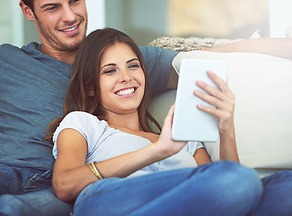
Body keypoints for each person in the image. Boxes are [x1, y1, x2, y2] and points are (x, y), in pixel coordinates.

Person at [0, 0, 291, 215]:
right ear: (28, 11)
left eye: (75, 0)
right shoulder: (0, 64)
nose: (70, 16)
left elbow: (226, 51)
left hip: (70, 189)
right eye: (52, 7)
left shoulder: (132, 56)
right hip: (24, 174)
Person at [49, 28, 292, 216]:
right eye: (110, 71)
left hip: (186, 205)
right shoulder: (83, 123)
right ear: (91, 87)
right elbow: (65, 184)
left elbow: (221, 184)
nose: (126, 77)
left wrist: (226, 128)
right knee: (242, 180)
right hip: (109, 201)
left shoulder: (181, 133)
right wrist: (157, 151)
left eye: (133, 66)